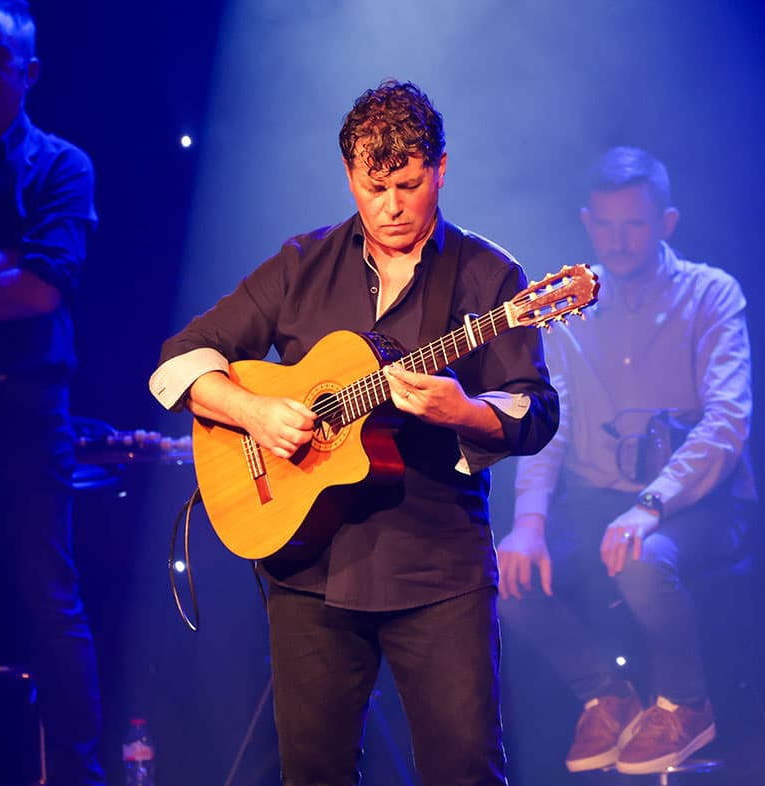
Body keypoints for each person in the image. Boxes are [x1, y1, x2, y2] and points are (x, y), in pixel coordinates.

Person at [150, 79, 559, 785]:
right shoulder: (301, 264)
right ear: (349, 177)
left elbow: (535, 409)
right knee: (312, 772)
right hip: (309, 568)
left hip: (436, 567)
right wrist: (254, 412)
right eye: (375, 188)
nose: (392, 206)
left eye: (408, 183)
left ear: (440, 168)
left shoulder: (492, 276)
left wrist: (461, 408)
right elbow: (179, 362)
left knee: (466, 767)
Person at [497, 146, 756, 776]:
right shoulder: (568, 306)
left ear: (666, 222)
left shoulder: (711, 294)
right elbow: (547, 426)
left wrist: (649, 506)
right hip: (597, 503)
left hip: (697, 503)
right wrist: (527, 522)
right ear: (588, 223)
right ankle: (605, 696)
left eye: (634, 224)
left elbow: (728, 423)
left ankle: (688, 704)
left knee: (640, 561)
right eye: (606, 225)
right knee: (505, 574)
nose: (618, 240)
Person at [0, 1, 105, 785]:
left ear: (27, 72)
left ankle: (78, 775)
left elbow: (39, 291)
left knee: (49, 595)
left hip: (26, 407)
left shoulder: (62, 164)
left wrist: (15, 274)